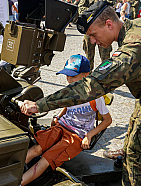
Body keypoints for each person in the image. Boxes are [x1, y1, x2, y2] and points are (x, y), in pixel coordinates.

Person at [20, 1, 141, 185]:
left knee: (136, 156)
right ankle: (126, 150)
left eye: (93, 34)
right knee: (134, 123)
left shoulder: (131, 53)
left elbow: (90, 87)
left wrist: (40, 105)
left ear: (109, 24)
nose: (92, 41)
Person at [20, 54, 112, 186]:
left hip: (76, 135)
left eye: (73, 76)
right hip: (61, 126)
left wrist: (89, 135)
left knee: (45, 161)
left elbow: (107, 120)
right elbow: (66, 106)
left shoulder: (95, 97)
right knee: (36, 149)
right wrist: (58, 116)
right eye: (67, 76)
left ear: (85, 75)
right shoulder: (70, 90)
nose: (69, 80)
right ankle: (9, 174)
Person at [78, 0, 115, 71]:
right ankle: (89, 76)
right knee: (89, 54)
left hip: (103, 29)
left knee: (105, 56)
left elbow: (110, 7)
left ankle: (105, 76)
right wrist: (93, 12)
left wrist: (93, 13)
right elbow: (80, 7)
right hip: (89, 29)